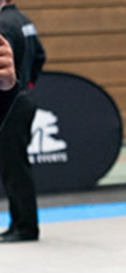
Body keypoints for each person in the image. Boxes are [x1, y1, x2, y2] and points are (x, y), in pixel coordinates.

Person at [0, 1, 44, 244]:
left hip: (11, 100)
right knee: (16, 164)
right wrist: (28, 84)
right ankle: (18, 222)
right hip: (23, 95)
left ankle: (25, 226)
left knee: (14, 166)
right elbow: (41, 56)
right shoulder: (25, 20)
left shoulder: (3, 24)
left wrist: (14, 88)